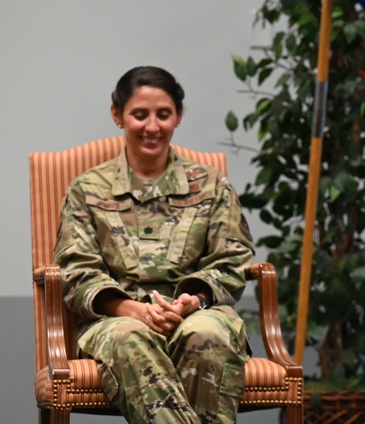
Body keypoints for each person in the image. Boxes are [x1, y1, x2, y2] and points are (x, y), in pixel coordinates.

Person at [53, 66, 255, 424]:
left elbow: (233, 258)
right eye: (139, 114)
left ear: (178, 116)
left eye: (163, 114)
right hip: (116, 320)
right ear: (118, 115)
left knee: (205, 334)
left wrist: (195, 299)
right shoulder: (87, 189)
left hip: (196, 312)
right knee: (132, 336)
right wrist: (132, 309)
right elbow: (75, 269)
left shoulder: (211, 185)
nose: (152, 127)